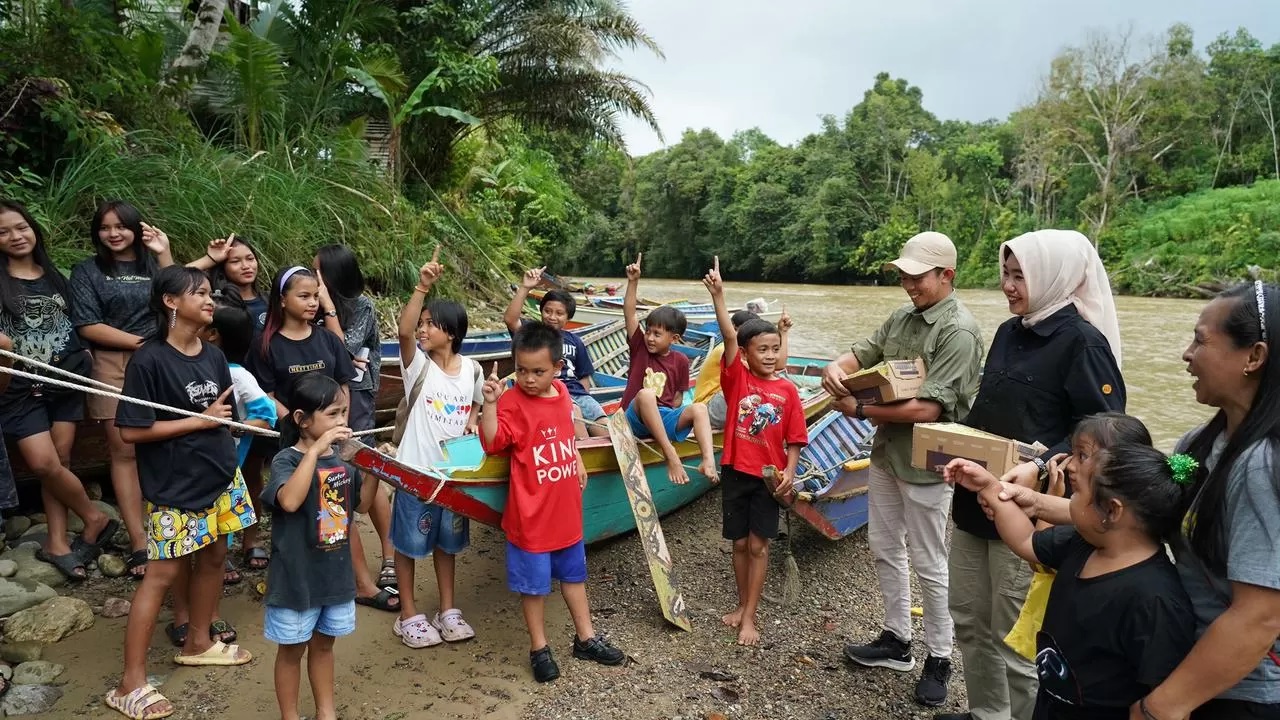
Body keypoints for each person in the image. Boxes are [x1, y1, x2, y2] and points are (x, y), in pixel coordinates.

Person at [945, 229, 1125, 720]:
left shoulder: (1083, 343)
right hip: (975, 499)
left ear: (1053, 277)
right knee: (968, 616)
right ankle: (987, 713)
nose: (1008, 285)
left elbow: (1106, 432)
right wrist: (949, 444)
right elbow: (989, 410)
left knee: (1018, 635)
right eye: (1005, 273)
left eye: (1020, 276)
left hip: (1031, 511)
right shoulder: (1009, 332)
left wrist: (1041, 465)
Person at [819, 231, 983, 708]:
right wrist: (836, 367)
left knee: (930, 560)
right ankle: (897, 639)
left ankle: (940, 657)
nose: (909, 285)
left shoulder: (959, 331)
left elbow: (929, 410)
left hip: (929, 461)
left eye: (918, 277)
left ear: (947, 275)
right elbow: (862, 353)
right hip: (888, 452)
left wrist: (858, 410)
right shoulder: (902, 317)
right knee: (885, 546)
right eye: (904, 277)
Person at [945, 427, 1196, 720]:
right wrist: (989, 487)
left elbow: (1163, 693)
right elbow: (1026, 540)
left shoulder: (1156, 600)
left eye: (1077, 494)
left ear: (1112, 511)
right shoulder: (1083, 543)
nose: (1067, 501)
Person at [1125, 281, 1280, 720]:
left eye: (1200, 340)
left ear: (1254, 356)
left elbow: (1260, 617)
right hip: (1196, 667)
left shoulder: (1261, 465)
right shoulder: (1198, 444)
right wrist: (1031, 499)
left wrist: (1160, 708)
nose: (1186, 354)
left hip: (1244, 693)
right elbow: (1142, 517)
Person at [106, 266, 254, 720]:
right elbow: (131, 431)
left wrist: (224, 424)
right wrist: (199, 421)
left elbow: (221, 417)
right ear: (171, 302)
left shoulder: (213, 355)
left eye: (210, 293)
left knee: (215, 557)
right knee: (161, 576)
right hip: (176, 486)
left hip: (220, 476)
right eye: (199, 293)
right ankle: (129, 684)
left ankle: (199, 642)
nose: (210, 300)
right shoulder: (149, 360)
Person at [479, 321, 625, 682]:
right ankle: (539, 648)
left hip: (565, 510)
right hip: (530, 516)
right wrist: (490, 405)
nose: (529, 379)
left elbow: (565, 432)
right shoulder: (512, 402)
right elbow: (492, 442)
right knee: (534, 587)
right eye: (522, 370)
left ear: (558, 368)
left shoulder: (561, 392)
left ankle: (586, 638)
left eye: (538, 372)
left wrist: (576, 458)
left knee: (574, 576)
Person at [0, 200, 118, 582]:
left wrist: (85, 354)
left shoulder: (56, 276)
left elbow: (78, 321)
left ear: (33, 229)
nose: (16, 236)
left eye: (21, 227)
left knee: (61, 461)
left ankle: (56, 541)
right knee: (44, 463)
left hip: (65, 381)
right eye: (4, 232)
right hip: (19, 387)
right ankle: (94, 517)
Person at [703, 257, 807, 646]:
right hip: (736, 471)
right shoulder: (737, 380)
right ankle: (740, 604)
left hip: (768, 479)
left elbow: (795, 439)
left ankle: (750, 615)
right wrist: (719, 295)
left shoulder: (788, 391)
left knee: (759, 546)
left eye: (775, 348)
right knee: (739, 543)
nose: (769, 355)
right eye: (761, 349)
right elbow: (729, 338)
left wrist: (790, 473)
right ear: (746, 355)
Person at [242, 267, 365, 592]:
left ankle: (356, 583)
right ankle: (294, 583)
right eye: (304, 296)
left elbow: (343, 385)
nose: (313, 303)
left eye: (315, 296)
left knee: (337, 509)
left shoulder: (327, 339)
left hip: (330, 438)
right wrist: (300, 426)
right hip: (289, 440)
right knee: (295, 510)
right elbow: (266, 395)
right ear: (282, 300)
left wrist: (339, 420)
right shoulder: (265, 345)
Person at [70, 200, 175, 580]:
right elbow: (87, 324)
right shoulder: (87, 270)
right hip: (112, 364)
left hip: (162, 362)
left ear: (136, 228)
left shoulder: (154, 266)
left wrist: (164, 253)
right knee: (124, 451)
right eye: (105, 227)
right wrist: (141, 344)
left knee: (167, 445)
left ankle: (172, 531)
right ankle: (138, 541)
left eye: (121, 226)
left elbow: (180, 299)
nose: (113, 233)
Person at [264, 373, 377, 720]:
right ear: (302, 420)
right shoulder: (286, 460)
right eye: (332, 414)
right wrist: (314, 450)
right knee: (291, 650)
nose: (341, 421)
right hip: (296, 578)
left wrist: (376, 468)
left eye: (343, 413)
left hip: (334, 575)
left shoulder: (343, 459)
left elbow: (361, 506)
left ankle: (326, 713)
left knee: (325, 645)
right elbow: (289, 501)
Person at [389, 248, 482, 648]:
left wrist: (475, 418)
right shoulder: (418, 367)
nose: (423, 330)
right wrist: (422, 288)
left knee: (448, 544)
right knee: (408, 545)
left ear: (452, 332)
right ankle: (408, 615)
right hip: (415, 473)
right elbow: (403, 332)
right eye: (423, 323)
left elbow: (475, 405)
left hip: (452, 476)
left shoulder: (473, 369)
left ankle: (447, 610)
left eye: (431, 324)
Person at [313, 245, 399, 599]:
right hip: (321, 398)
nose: (313, 277)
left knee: (363, 468)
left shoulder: (361, 305)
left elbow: (343, 349)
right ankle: (340, 563)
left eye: (318, 271)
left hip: (358, 396)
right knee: (330, 472)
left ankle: (390, 558)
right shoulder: (310, 302)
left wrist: (327, 307)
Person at [620, 253, 717, 485]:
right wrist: (633, 281)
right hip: (633, 417)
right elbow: (630, 313)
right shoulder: (640, 347)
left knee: (699, 409)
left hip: (661, 418)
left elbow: (677, 399)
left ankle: (708, 460)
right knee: (646, 395)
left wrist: (670, 418)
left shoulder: (681, 360)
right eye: (648, 331)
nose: (650, 337)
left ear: (674, 338)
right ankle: (670, 454)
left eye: (657, 334)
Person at [504, 267, 607, 437]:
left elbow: (583, 377)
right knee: (576, 418)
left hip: (578, 394)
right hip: (549, 392)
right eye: (548, 311)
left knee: (605, 426)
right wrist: (525, 287)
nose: (552, 317)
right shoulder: (532, 333)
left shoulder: (575, 341)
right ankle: (580, 449)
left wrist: (584, 398)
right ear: (541, 311)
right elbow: (510, 319)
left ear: (568, 317)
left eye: (559, 313)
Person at [693, 308, 793, 430]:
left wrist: (783, 332)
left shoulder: (747, 350)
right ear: (734, 328)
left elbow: (778, 365)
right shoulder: (725, 350)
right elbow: (775, 367)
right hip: (709, 407)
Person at [188, 234, 268, 333]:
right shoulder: (214, 305)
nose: (246, 266)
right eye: (235, 261)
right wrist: (209, 259)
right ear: (222, 268)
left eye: (250, 259)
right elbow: (176, 279)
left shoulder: (271, 301)